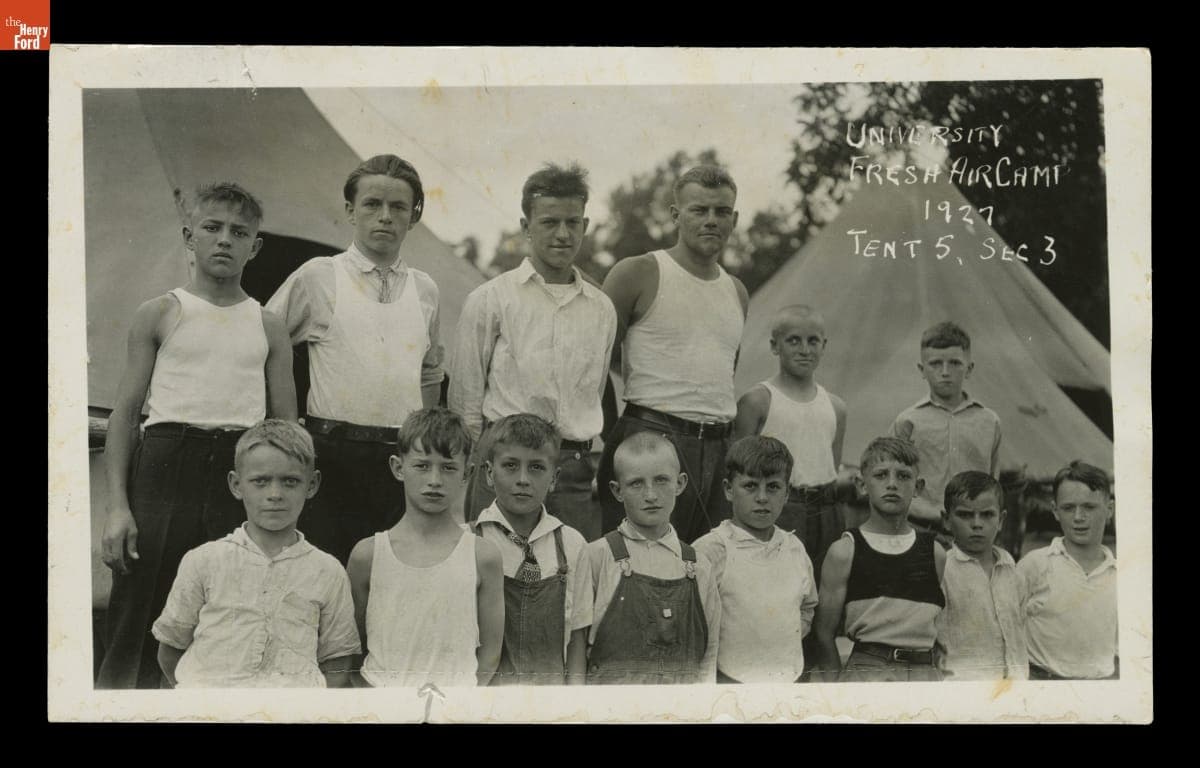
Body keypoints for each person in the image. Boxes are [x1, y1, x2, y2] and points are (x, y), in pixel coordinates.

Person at [98, 183, 296, 688]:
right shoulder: (160, 312)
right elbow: (124, 415)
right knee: (139, 614)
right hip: (164, 468)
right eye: (212, 228)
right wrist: (118, 508)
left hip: (238, 474)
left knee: (224, 615)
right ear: (190, 236)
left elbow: (285, 430)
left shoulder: (268, 326)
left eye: (239, 232)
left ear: (255, 246)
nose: (224, 240)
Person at [267, 155, 444, 564]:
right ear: (350, 210)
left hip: (400, 463)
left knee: (392, 584)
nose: (385, 217)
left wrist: (421, 443)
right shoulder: (318, 276)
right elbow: (264, 346)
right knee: (326, 581)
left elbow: (430, 373)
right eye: (372, 205)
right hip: (330, 457)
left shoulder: (426, 290)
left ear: (414, 216)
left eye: (398, 207)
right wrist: (288, 430)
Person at [450, 163, 617, 539]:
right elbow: (465, 402)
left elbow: (592, 391)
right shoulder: (491, 299)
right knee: (495, 578)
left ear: (586, 226)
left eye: (573, 223)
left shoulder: (602, 308)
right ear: (526, 226)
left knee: (567, 579)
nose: (562, 234)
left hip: (572, 468)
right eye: (549, 222)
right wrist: (487, 466)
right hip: (505, 463)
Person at [598, 165, 750, 544]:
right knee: (641, 565)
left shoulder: (737, 291)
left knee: (710, 569)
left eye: (722, 212)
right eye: (700, 210)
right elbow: (593, 367)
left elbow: (722, 376)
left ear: (734, 218)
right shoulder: (639, 273)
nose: (712, 221)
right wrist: (612, 441)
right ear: (675, 214)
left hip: (718, 447)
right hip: (651, 436)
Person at [152, 420, 359, 687]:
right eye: (260, 481)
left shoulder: (328, 571)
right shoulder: (204, 560)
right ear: (236, 485)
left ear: (312, 484)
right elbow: (170, 648)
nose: (275, 494)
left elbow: (338, 659)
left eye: (290, 481)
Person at [347, 408, 504, 687]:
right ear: (398, 467)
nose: (434, 480)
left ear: (466, 472)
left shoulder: (482, 555)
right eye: (422, 465)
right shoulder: (368, 555)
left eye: (448, 467)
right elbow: (353, 649)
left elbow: (490, 653)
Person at [582, 432, 720, 684]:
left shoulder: (699, 565)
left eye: (661, 481)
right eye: (636, 483)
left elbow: (708, 657)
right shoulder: (597, 556)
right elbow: (577, 650)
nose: (651, 495)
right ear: (617, 490)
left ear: (680, 484)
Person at [812, 437, 947, 682]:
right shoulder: (845, 550)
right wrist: (837, 690)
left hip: (923, 674)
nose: (892, 484)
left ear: (918, 487)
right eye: (881, 475)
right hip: (867, 670)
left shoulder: (934, 552)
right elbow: (823, 634)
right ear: (862, 484)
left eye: (904, 476)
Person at [472, 414, 593, 685]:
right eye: (511, 466)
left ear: (554, 477)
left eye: (536, 467)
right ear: (490, 473)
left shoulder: (573, 545)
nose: (523, 479)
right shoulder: (468, 541)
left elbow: (576, 641)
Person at [732, 303, 851, 572]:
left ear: (824, 345)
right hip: (780, 509)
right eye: (793, 341)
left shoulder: (836, 407)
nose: (804, 350)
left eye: (813, 341)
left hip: (826, 512)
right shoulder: (757, 401)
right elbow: (736, 472)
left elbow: (831, 469)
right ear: (775, 346)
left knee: (821, 589)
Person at [693, 436, 819, 683]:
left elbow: (807, 607)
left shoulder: (794, 549)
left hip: (788, 679)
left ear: (786, 493)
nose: (762, 497)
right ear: (729, 489)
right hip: (730, 680)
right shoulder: (712, 550)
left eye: (773, 487)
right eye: (750, 486)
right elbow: (694, 624)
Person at [891, 321, 1001, 538]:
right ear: (922, 370)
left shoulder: (989, 422)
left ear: (969, 369)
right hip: (921, 530)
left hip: (973, 530)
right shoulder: (907, 421)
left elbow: (993, 484)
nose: (945, 372)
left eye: (954, 363)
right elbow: (893, 483)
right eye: (935, 364)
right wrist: (927, 512)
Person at [1017, 460, 1117, 680]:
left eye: (1089, 507)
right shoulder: (1034, 565)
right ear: (1055, 510)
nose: (1078, 517)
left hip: (1101, 691)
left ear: (1109, 509)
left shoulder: (1121, 575)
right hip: (1043, 686)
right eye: (1068, 508)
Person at [934, 471, 1028, 680]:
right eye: (965, 515)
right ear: (947, 520)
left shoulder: (1013, 573)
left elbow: (1019, 635)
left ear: (1001, 519)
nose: (977, 524)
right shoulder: (942, 572)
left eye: (987, 515)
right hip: (962, 689)